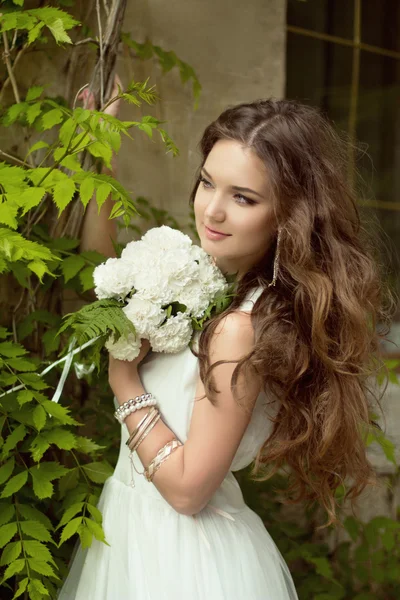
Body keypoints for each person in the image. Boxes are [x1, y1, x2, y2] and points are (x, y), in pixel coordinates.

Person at [57, 94, 390, 599]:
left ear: (287, 215)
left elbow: (189, 490)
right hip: (139, 530)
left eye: (243, 198)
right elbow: (105, 282)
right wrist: (105, 154)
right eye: (208, 182)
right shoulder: (208, 283)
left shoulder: (240, 327)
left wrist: (123, 382)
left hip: (181, 555)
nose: (212, 209)